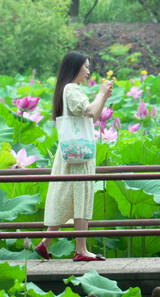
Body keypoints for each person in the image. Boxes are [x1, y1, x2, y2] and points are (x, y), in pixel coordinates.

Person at [34, 51, 113, 262]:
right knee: (82, 196)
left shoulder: (69, 89)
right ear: (75, 68)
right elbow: (90, 111)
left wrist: (103, 97)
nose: (88, 71)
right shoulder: (72, 89)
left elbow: (93, 115)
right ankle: (81, 249)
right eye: (85, 67)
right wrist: (101, 93)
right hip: (79, 153)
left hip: (73, 151)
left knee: (70, 197)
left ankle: (45, 243)